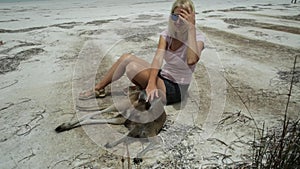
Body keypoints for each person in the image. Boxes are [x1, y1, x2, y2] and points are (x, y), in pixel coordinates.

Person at [79, 0, 205, 105]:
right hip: (164, 76)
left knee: (132, 68)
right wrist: (151, 84)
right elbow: (158, 59)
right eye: (174, 16)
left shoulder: (197, 38)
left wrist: (191, 28)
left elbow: (191, 60)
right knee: (126, 58)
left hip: (176, 88)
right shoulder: (167, 34)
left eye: (182, 18)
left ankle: (143, 89)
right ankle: (98, 89)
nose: (177, 21)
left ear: (190, 18)